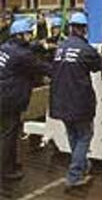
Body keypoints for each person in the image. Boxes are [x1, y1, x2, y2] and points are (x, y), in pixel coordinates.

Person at [49, 12, 102, 190]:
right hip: (79, 103)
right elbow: (99, 65)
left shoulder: (60, 48)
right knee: (84, 136)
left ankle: (82, 165)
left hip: (60, 102)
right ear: (83, 30)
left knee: (73, 136)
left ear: (70, 28)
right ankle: (74, 176)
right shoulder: (86, 49)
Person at [0, 17, 51, 183]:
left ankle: (12, 164)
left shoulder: (6, 46)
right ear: (19, 35)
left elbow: (27, 47)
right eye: (28, 34)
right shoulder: (22, 55)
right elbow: (43, 67)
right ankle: (7, 170)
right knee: (9, 134)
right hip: (10, 99)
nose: (31, 36)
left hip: (4, 95)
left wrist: (41, 45)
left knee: (10, 132)